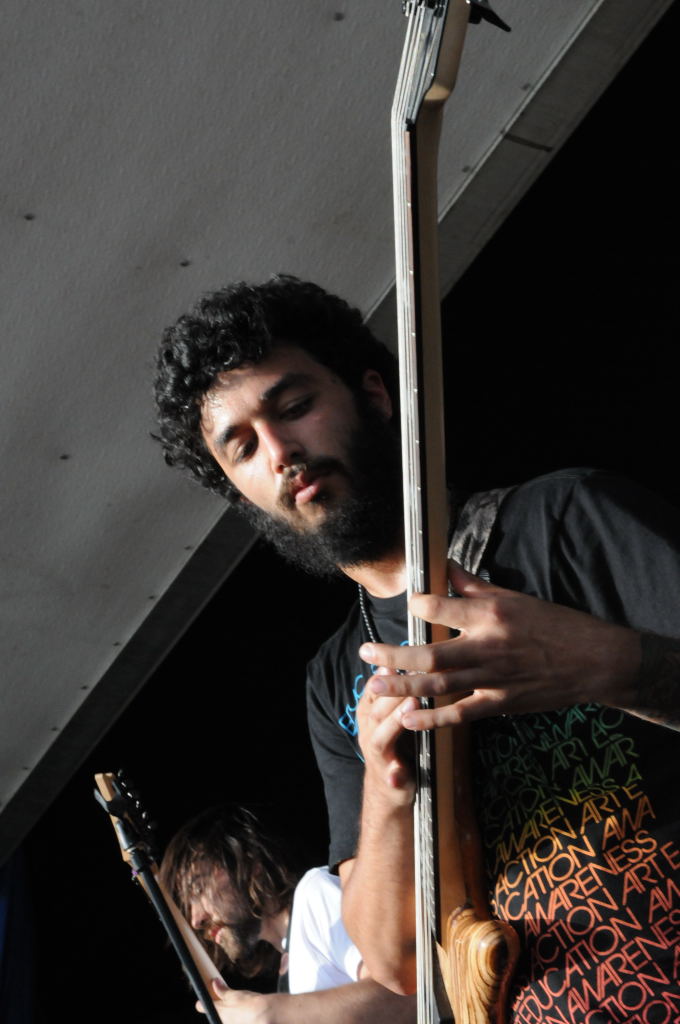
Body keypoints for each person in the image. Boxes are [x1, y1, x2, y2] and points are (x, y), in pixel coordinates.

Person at [154, 275, 680, 1022]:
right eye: (242, 448)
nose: (280, 452)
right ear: (243, 493)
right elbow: (397, 962)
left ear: (373, 394)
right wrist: (386, 787)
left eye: (295, 407)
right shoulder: (335, 677)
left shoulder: (563, 519)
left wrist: (603, 663)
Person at [159, 804, 416, 1022]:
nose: (196, 919)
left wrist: (269, 1012)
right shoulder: (288, 963)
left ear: (248, 861)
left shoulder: (314, 893)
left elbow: (409, 995)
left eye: (198, 888)